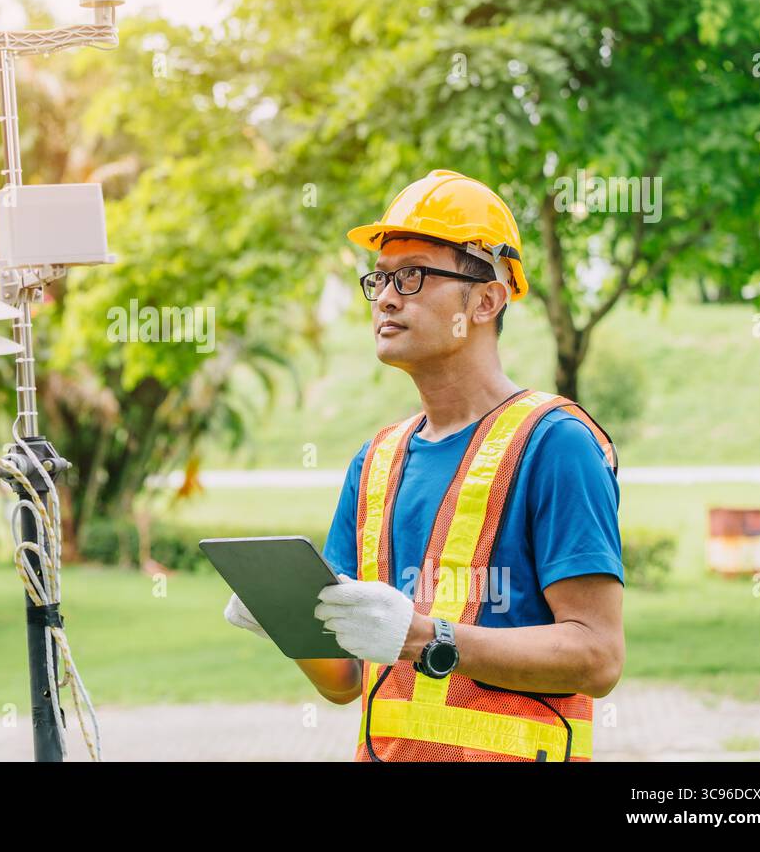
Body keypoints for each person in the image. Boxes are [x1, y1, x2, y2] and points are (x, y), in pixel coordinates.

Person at [224, 170, 624, 761]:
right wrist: (287, 618)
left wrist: (427, 638)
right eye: (380, 278)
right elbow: (346, 680)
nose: (387, 297)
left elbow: (598, 657)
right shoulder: (376, 461)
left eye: (412, 275)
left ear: (486, 299)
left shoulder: (555, 443)